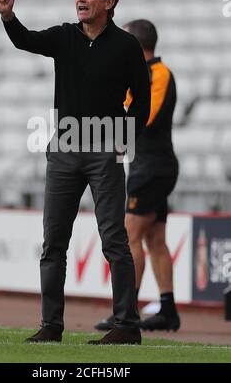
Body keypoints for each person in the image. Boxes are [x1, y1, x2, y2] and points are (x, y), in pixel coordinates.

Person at [0, 0, 150, 344]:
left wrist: (123, 139)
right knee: (54, 242)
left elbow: (142, 101)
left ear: (109, 3)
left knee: (114, 240)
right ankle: (51, 325)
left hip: (105, 152)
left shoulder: (126, 46)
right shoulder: (64, 36)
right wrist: (7, 15)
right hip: (64, 149)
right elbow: (26, 40)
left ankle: (127, 326)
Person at [95, 19, 180, 332]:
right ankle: (167, 309)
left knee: (130, 237)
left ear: (137, 44)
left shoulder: (158, 74)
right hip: (148, 166)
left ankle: (125, 312)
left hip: (153, 168)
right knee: (155, 239)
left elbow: (144, 117)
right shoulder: (139, 74)